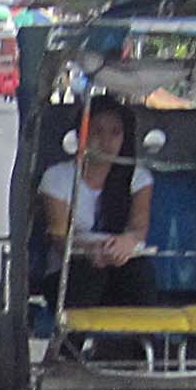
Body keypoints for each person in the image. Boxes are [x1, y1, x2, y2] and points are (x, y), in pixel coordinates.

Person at [38, 96, 157, 310]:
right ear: (82, 135)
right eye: (97, 132)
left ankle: (145, 339)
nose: (106, 141)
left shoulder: (139, 178)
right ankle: (69, 341)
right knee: (91, 275)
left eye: (115, 133)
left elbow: (138, 230)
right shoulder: (57, 177)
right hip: (69, 271)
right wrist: (91, 249)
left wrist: (125, 244)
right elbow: (58, 237)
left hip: (120, 270)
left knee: (139, 272)